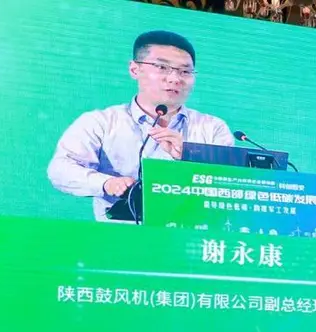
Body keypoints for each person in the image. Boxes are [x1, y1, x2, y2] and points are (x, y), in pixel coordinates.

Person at [47, 30, 234, 222]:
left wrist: (191, 155)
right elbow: (61, 169)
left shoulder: (212, 128)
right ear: (134, 70)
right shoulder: (101, 122)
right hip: (121, 236)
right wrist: (107, 183)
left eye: (185, 71)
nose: (174, 78)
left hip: (192, 235)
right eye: (162, 67)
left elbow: (233, 184)